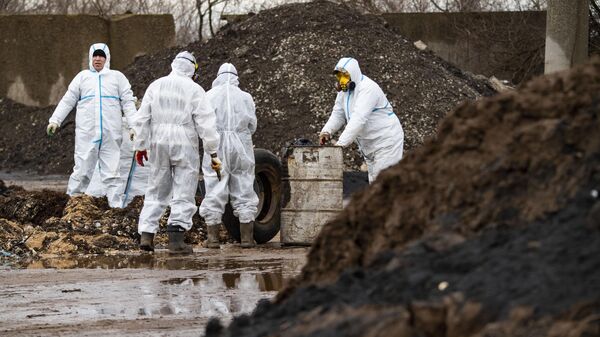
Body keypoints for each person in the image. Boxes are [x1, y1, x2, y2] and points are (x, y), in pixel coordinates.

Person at [135, 51, 221, 254]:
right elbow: (206, 123)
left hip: (158, 141)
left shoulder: (156, 85)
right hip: (184, 143)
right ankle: (176, 240)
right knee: (184, 189)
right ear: (193, 70)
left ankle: (147, 235)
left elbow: (141, 118)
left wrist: (140, 146)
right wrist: (212, 150)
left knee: (156, 188)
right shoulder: (195, 89)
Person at [46, 43, 137, 207]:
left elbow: (128, 103)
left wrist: (134, 126)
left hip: (111, 135)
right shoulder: (82, 78)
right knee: (81, 172)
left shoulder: (117, 78)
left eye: (101, 55)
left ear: (107, 58)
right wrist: (55, 120)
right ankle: (71, 205)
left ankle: (115, 208)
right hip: (87, 135)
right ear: (90, 57)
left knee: (113, 174)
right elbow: (68, 100)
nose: (98, 59)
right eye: (95, 55)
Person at [199, 63, 259, 249]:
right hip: (241, 147)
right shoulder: (245, 97)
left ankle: (213, 239)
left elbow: (202, 123)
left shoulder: (208, 95)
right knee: (244, 186)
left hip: (216, 148)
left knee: (214, 186)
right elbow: (252, 125)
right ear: (236, 77)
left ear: (217, 76)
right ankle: (247, 239)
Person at [319, 57, 404, 183]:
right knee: (376, 183)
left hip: (386, 142)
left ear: (353, 74)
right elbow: (338, 114)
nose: (342, 79)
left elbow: (358, 119)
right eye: (339, 76)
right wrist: (327, 131)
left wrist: (340, 144)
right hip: (370, 145)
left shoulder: (368, 89)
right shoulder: (344, 92)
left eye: (345, 75)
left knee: (383, 184)